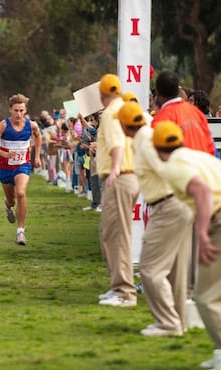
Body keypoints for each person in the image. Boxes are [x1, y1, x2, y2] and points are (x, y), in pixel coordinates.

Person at [152, 120, 221, 370]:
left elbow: (203, 192)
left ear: (157, 148)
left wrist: (203, 233)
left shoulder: (173, 166)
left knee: (207, 296)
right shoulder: (200, 157)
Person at [116, 102, 193, 335]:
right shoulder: (148, 131)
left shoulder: (144, 141)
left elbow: (164, 168)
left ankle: (168, 323)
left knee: (150, 268)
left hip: (168, 205)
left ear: (123, 125)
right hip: (181, 203)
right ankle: (178, 321)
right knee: (175, 271)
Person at [95, 74, 139, 307]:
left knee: (115, 235)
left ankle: (124, 292)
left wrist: (114, 169)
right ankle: (118, 287)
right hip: (129, 176)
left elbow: (117, 144)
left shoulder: (112, 112)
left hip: (120, 177)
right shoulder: (126, 108)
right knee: (113, 233)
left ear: (101, 95)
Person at [0, 93, 41, 245]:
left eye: (21, 110)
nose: (19, 114)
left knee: (20, 193)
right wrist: (4, 153)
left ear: (25, 110)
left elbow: (38, 137)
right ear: (10, 110)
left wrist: (36, 156)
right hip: (5, 168)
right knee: (11, 200)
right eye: (16, 110)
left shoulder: (31, 125)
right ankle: (8, 207)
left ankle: (20, 232)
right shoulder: (3, 125)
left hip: (22, 166)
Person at [152, 70, 216, 155]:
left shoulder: (161, 119)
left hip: (180, 166)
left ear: (157, 92)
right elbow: (210, 145)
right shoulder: (196, 112)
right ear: (177, 90)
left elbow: (157, 153)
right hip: (202, 165)